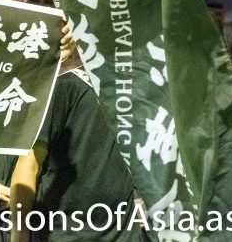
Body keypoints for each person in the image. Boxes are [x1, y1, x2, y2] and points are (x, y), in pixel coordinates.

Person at [9, 60, 148, 241]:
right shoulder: (65, 86)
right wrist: (19, 234)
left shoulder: (138, 98)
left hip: (124, 235)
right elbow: (28, 163)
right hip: (64, 233)